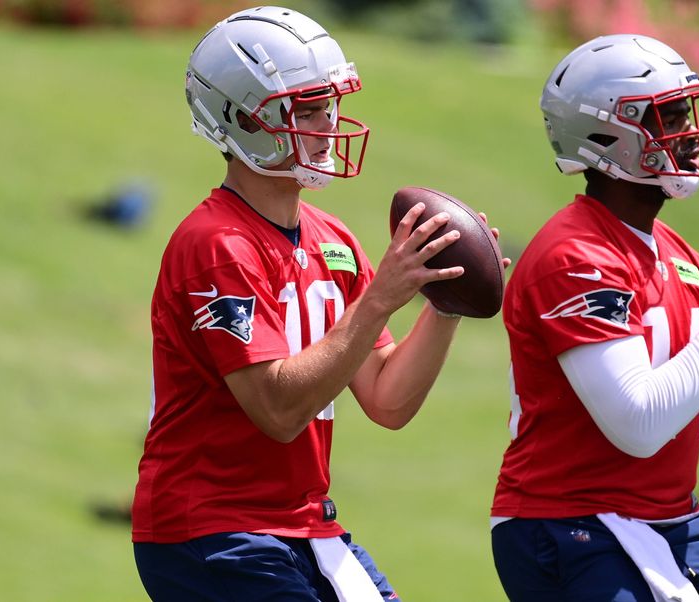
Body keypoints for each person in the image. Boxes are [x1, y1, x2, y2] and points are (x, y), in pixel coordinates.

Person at [132, 7, 503, 600]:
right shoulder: (217, 244)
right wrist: (379, 301)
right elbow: (278, 412)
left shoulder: (334, 240)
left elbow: (387, 399)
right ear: (243, 119)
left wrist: (445, 302)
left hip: (303, 524)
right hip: (213, 529)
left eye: (329, 105)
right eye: (305, 109)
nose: (328, 124)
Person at [490, 34, 699, 601]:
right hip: (569, 521)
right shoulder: (574, 255)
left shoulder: (685, 260)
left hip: (673, 520)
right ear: (610, 135)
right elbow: (639, 423)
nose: (693, 135)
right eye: (670, 117)